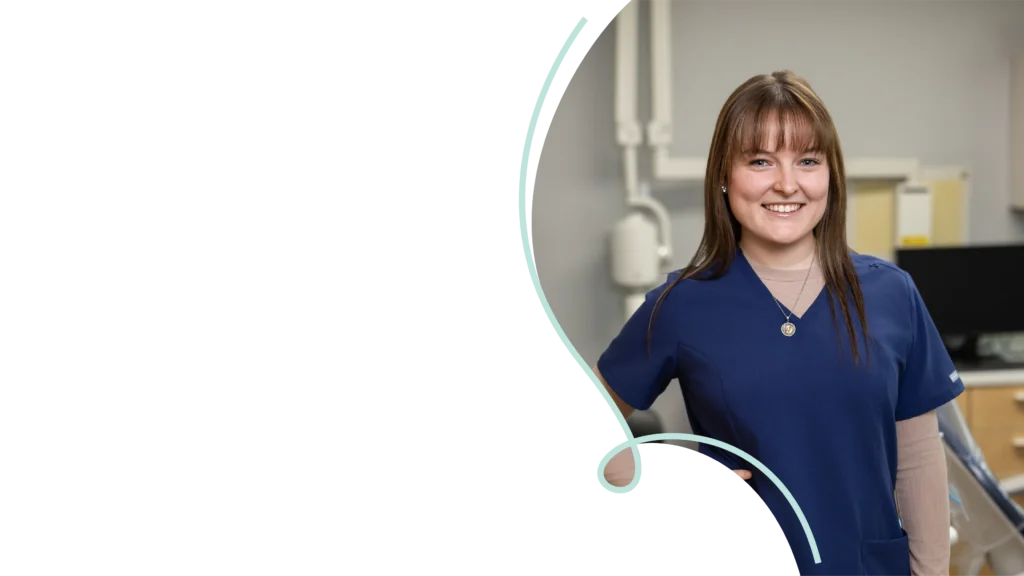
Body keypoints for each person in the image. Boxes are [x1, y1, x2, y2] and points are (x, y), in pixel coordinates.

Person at [597, 71, 961, 576]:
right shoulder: (682, 304)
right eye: (760, 161)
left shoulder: (891, 294)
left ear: (830, 175)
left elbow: (919, 457)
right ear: (724, 176)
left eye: (808, 161)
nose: (787, 183)